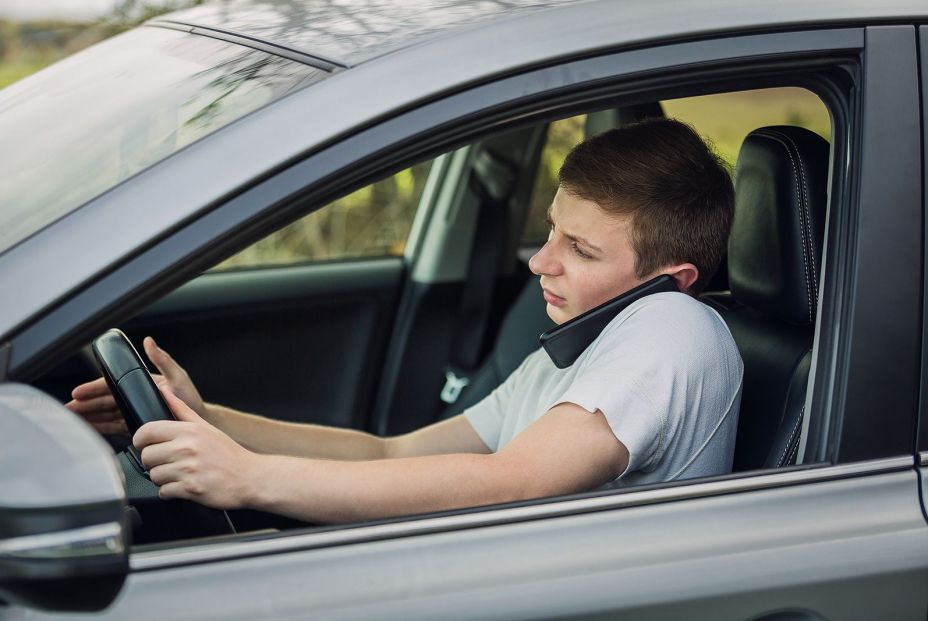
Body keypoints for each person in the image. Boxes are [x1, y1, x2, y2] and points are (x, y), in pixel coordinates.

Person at [67, 118, 743, 524]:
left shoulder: (674, 326)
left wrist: (250, 478)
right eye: (552, 231)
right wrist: (208, 416)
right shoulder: (570, 356)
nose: (541, 262)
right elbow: (389, 453)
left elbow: (516, 480)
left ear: (670, 279)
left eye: (582, 250)